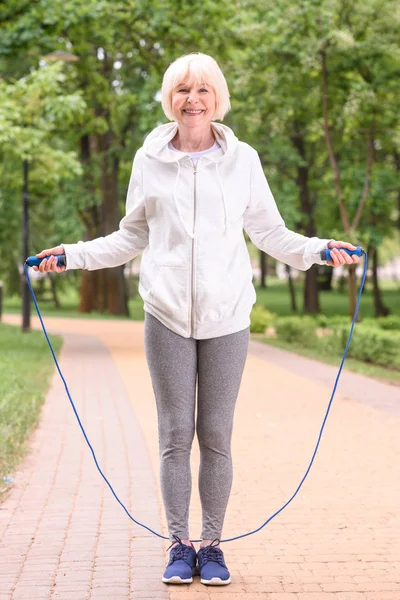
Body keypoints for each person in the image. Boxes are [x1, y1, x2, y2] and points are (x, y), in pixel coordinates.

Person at [34, 52, 361, 586]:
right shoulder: (149, 160)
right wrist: (71, 254)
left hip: (227, 315)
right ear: (170, 98)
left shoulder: (243, 160)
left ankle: (212, 545)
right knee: (173, 434)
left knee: (215, 434)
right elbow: (130, 236)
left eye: (203, 90)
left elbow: (271, 233)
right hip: (165, 314)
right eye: (183, 89)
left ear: (217, 98)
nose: (192, 99)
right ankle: (178, 544)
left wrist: (320, 249)